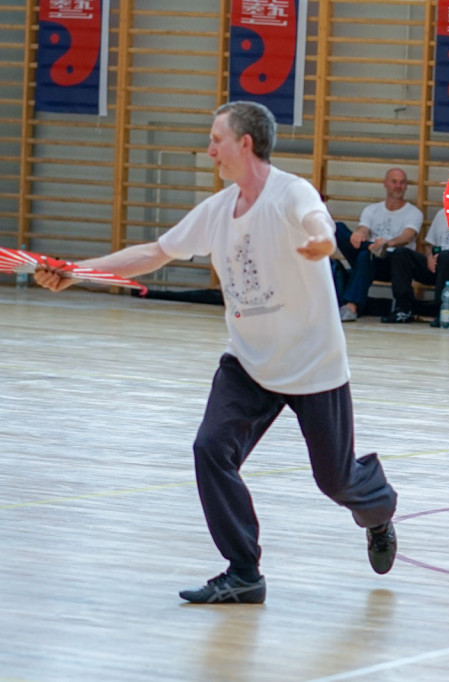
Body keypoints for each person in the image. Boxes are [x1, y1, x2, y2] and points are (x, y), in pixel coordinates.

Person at [33, 101, 399, 603]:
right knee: (211, 450)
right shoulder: (217, 210)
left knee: (336, 481)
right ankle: (244, 572)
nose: (209, 150)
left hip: (312, 362)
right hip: (249, 362)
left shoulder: (290, 192)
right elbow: (154, 253)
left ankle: (378, 510)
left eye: (216, 139)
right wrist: (78, 272)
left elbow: (316, 219)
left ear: (245, 143)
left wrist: (320, 241)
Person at [336, 168, 424, 321]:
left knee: (365, 255)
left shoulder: (414, 212)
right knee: (338, 228)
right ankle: (370, 247)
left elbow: (407, 236)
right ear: (385, 184)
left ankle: (352, 306)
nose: (398, 186)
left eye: (402, 182)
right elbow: (363, 228)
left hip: (392, 264)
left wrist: (388, 243)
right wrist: (359, 234)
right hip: (370, 258)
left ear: (406, 186)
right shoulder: (371, 210)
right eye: (394, 182)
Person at [380, 208, 449, 326]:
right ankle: (403, 308)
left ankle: (443, 312)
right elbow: (430, 245)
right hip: (437, 264)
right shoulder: (442, 213)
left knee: (446, 257)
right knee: (401, 253)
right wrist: (429, 258)